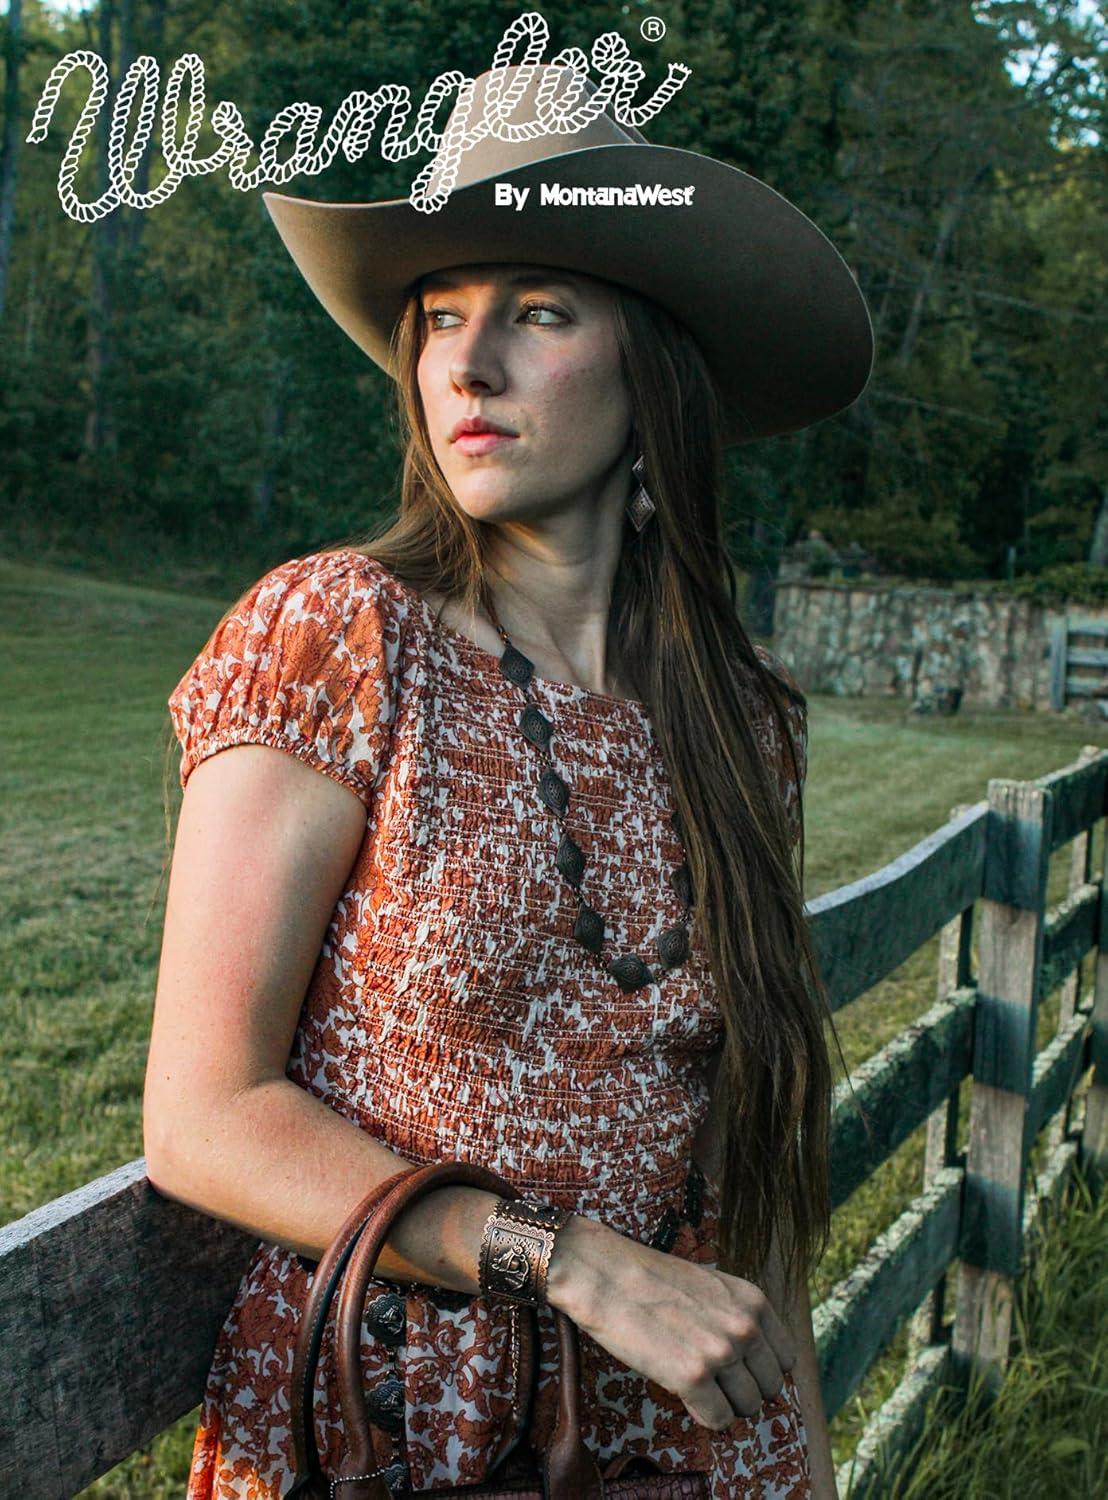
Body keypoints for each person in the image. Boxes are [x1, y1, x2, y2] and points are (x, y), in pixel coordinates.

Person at [143, 63, 872, 1500]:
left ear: (650, 364)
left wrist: (798, 1464)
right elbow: (203, 1116)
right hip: (404, 1427)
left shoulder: (741, 725)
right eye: (439, 317)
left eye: (537, 311)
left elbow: (751, 1180)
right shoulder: (340, 637)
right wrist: (568, 1260)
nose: (468, 366)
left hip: (692, 1443)